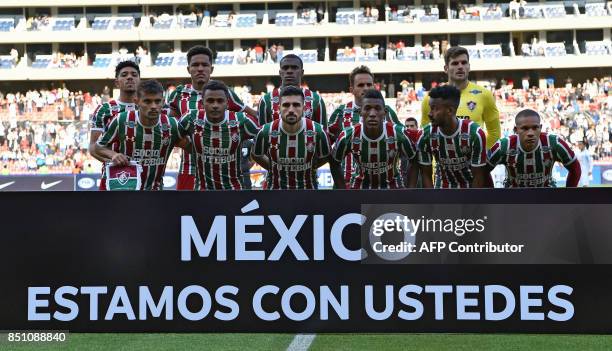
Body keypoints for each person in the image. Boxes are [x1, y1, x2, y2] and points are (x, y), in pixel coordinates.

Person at [165, 45, 258, 190]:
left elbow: (254, 116)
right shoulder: (178, 94)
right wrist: (187, 145)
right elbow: (170, 127)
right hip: (189, 169)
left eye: (205, 65)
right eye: (195, 65)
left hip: (223, 173)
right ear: (188, 69)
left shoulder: (224, 93)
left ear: (211, 69)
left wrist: (249, 158)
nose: (200, 69)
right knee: (187, 211)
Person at [92, 80, 189, 190]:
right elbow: (98, 147)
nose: (153, 106)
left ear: (163, 102)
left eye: (157, 101)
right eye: (147, 101)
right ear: (136, 101)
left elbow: (193, 148)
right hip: (126, 190)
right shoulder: (121, 120)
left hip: (155, 192)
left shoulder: (172, 125)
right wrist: (113, 155)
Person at [252, 86, 343, 189]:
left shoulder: (318, 131)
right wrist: (273, 167)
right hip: (275, 195)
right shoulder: (265, 131)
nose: (291, 109)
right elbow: (256, 155)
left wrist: (309, 168)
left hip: (308, 195)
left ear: (304, 108)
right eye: (286, 105)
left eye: (296, 105)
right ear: (279, 108)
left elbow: (325, 157)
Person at [178, 80, 261, 190]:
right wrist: (192, 149)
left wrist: (254, 158)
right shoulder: (190, 119)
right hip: (202, 191)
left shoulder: (242, 120)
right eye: (210, 101)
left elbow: (264, 138)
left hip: (234, 191)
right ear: (202, 102)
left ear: (227, 103)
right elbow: (174, 137)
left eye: (220, 101)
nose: (215, 105)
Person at [328, 65, 402, 183]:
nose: (366, 88)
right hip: (347, 184)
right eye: (361, 85)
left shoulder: (387, 112)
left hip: (382, 184)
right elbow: (326, 148)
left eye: (369, 84)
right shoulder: (340, 113)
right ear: (351, 89)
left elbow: (404, 145)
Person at [332, 89, 417, 189]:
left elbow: (414, 160)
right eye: (367, 108)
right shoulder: (347, 135)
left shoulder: (399, 134)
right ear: (360, 112)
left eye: (377, 108)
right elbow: (334, 162)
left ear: (384, 112)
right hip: (360, 190)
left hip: (393, 190)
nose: (372, 114)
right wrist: (342, 189)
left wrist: (411, 189)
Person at [421, 46, 500, 149]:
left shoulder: (485, 95)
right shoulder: (431, 98)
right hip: (443, 163)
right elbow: (425, 134)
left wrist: (481, 156)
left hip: (473, 163)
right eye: (455, 63)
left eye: (464, 63)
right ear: (446, 68)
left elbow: (494, 133)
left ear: (469, 66)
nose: (460, 66)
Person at [417, 85, 488, 188]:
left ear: (450, 111)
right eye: (430, 108)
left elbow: (478, 177)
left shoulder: (475, 134)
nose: (429, 113)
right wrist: (433, 201)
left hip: (470, 190)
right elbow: (426, 175)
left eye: (434, 109)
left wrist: (472, 202)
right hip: (442, 190)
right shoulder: (424, 135)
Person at [487, 109, 580, 187]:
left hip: (546, 198)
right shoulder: (503, 146)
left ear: (541, 128)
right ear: (516, 130)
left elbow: (575, 168)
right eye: (525, 128)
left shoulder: (555, 143)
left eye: (535, 128)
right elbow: (483, 171)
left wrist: (568, 196)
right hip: (513, 200)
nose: (530, 133)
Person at [88, 60, 140, 190]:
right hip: (114, 178)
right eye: (124, 75)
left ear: (140, 80)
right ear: (117, 82)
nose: (129, 77)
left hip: (146, 176)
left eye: (134, 74)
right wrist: (113, 157)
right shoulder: (104, 109)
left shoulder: (150, 108)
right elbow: (93, 147)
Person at [257, 54, 327, 128]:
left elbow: (323, 132)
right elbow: (261, 133)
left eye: (294, 68)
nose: (289, 71)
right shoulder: (265, 100)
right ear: (280, 73)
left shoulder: (316, 100)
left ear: (302, 72)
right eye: (285, 68)